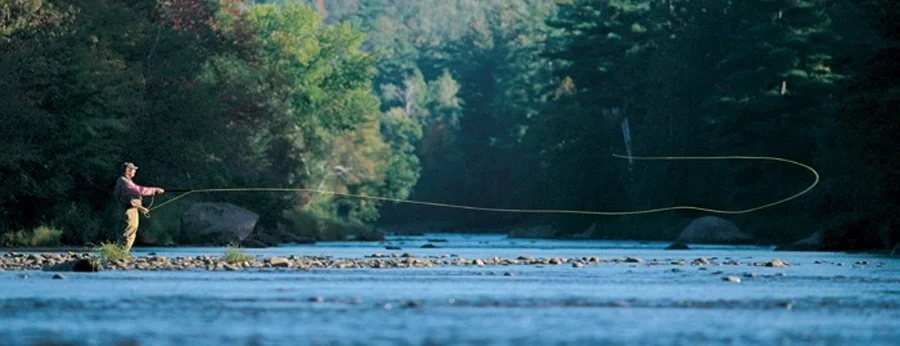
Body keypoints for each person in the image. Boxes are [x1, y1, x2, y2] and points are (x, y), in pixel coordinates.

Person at [113, 162, 164, 252]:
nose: (135, 172)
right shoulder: (124, 181)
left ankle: (121, 253)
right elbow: (138, 190)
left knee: (129, 232)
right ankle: (121, 253)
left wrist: (140, 207)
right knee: (128, 232)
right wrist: (154, 190)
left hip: (128, 210)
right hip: (128, 212)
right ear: (128, 171)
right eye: (133, 170)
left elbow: (130, 198)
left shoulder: (124, 181)